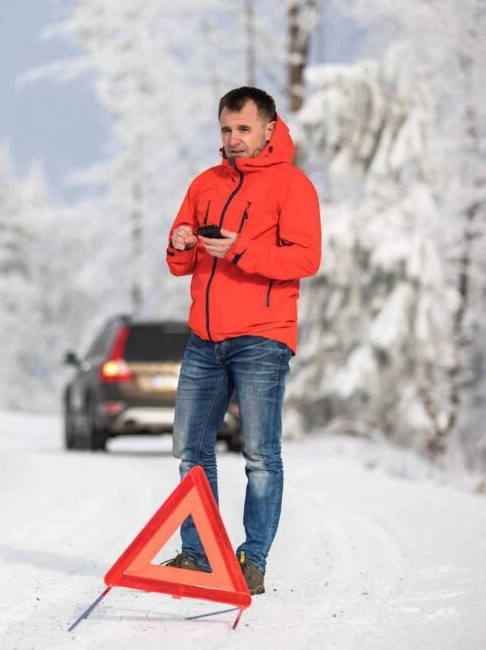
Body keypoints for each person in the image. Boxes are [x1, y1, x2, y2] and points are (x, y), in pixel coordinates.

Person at [161, 86, 321, 595]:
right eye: (226, 130)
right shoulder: (205, 183)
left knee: (259, 454)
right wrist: (180, 241)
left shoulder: (293, 186)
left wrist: (241, 250)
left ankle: (253, 561)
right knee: (190, 449)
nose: (233, 140)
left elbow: (304, 259)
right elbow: (178, 263)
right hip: (204, 339)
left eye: (244, 130)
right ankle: (198, 552)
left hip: (262, 338)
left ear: (270, 129)